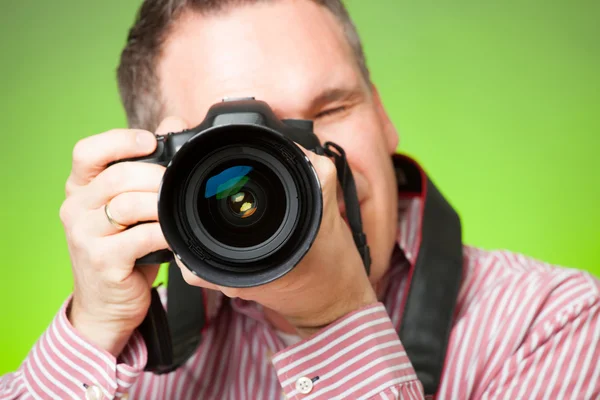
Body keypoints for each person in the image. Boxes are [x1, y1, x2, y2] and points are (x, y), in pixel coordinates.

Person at [1, 0, 599, 398]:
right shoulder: (126, 363)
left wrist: (334, 315)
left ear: (382, 113)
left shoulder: (553, 325)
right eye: (244, 139)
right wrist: (92, 331)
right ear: (159, 166)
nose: (311, 166)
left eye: (332, 109)